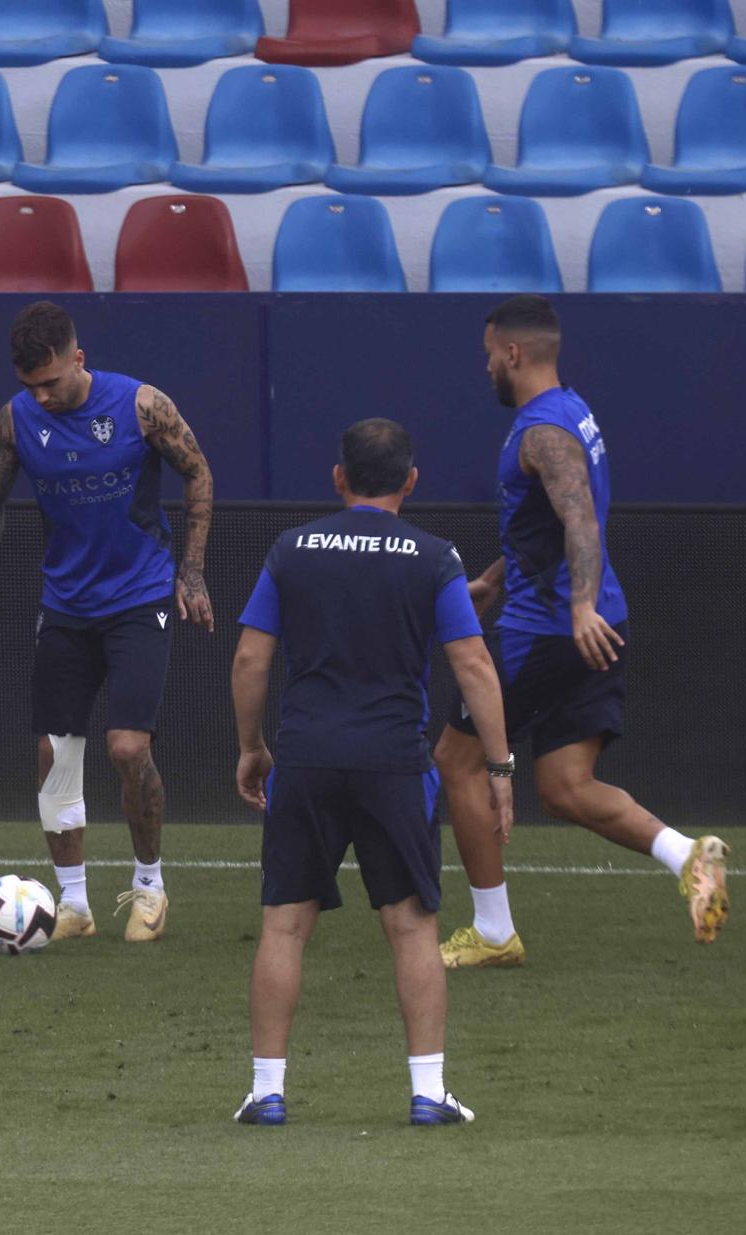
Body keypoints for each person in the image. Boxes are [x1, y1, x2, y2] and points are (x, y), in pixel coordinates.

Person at [231, 419, 513, 1128]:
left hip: (306, 758)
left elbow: (249, 660)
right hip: (394, 763)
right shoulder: (433, 557)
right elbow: (474, 665)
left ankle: (267, 1091)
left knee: (284, 927)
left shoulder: (291, 549)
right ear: (411, 482)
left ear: (338, 478)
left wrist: (251, 745)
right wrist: (501, 765)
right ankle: (427, 1092)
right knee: (413, 929)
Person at [435, 296, 729, 968]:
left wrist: (577, 607)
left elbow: (581, 524)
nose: (485, 369)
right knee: (566, 784)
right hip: (592, 623)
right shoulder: (573, 411)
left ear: (513, 353)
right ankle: (689, 857)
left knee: (456, 761)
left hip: (550, 633)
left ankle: (491, 931)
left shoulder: (543, 432)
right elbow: (544, 529)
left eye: (488, 356)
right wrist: (491, 580)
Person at [0, 301, 215, 944]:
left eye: (51, 382)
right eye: (30, 386)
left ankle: (151, 887)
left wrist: (191, 572)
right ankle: (72, 904)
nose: (42, 397)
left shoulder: (141, 407)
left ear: (79, 358)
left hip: (140, 596)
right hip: (66, 607)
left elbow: (198, 473)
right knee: (55, 755)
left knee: (128, 747)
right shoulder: (15, 421)